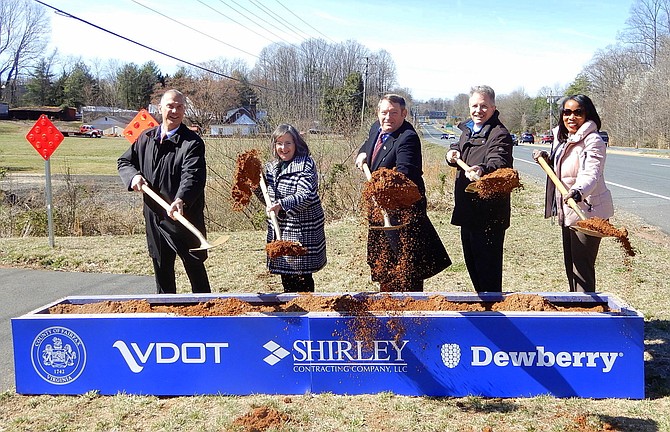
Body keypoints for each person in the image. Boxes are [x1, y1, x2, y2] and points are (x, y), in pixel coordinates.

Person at [118, 89, 211, 294]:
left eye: (179, 106)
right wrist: (133, 176)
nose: (175, 111)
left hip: (183, 218)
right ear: (160, 108)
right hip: (154, 217)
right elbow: (124, 161)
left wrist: (181, 199)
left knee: (195, 268)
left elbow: (193, 175)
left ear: (184, 110)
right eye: (170, 105)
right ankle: (166, 311)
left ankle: (207, 311)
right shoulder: (146, 138)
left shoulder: (192, 143)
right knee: (162, 270)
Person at [355, 94, 451, 292]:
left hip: (403, 212)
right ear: (378, 113)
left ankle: (411, 310)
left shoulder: (408, 138)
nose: (388, 117)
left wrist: (379, 187)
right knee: (383, 264)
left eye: (393, 113)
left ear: (404, 114)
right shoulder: (377, 127)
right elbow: (370, 143)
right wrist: (362, 153)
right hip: (380, 211)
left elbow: (404, 172)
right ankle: (387, 304)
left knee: (406, 266)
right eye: (384, 112)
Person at [532, 94, 614, 292]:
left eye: (578, 112)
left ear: (587, 115)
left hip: (587, 212)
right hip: (569, 211)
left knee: (582, 270)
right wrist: (548, 159)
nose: (571, 117)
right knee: (571, 267)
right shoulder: (565, 139)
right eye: (567, 112)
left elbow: (591, 172)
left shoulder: (592, 140)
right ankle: (577, 308)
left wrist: (578, 192)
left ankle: (587, 316)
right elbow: (566, 169)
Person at [446, 85, 513, 292]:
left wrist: (482, 169)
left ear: (493, 107)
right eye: (474, 106)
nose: (478, 110)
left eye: (484, 106)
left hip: (488, 214)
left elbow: (498, 160)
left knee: (488, 272)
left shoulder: (498, 133)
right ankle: (483, 307)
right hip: (468, 209)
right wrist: (452, 153)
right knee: (473, 266)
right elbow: (462, 149)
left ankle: (493, 313)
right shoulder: (469, 130)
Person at [263, 124, 326, 292]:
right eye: (279, 143)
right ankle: (292, 313)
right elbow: (267, 199)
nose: (283, 148)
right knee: (287, 275)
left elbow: (306, 194)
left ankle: (306, 312)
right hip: (281, 228)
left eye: (288, 143)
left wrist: (282, 204)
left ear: (296, 143)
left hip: (302, 228)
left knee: (302, 277)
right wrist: (255, 185)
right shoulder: (271, 167)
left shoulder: (306, 164)